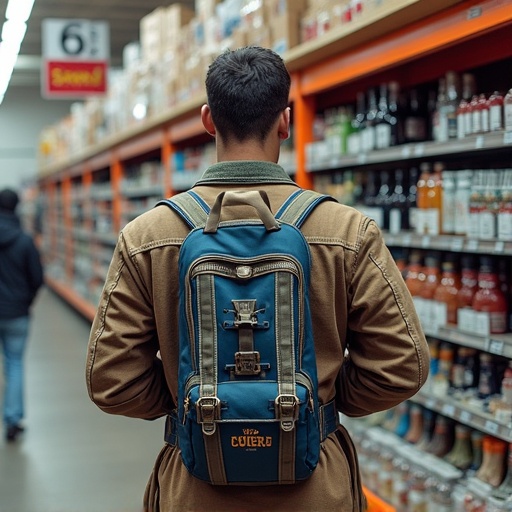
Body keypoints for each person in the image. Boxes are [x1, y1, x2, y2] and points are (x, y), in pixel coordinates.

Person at [86, 46, 429, 511]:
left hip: (195, 484)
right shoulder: (345, 231)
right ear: (285, 121)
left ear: (208, 120)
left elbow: (112, 380)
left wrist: (197, 404)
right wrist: (317, 403)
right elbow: (402, 364)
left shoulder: (148, 235)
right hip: (315, 487)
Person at [0, 188, 44, 442]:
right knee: (14, 364)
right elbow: (37, 278)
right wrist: (24, 301)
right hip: (17, 313)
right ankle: (13, 419)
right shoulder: (24, 240)